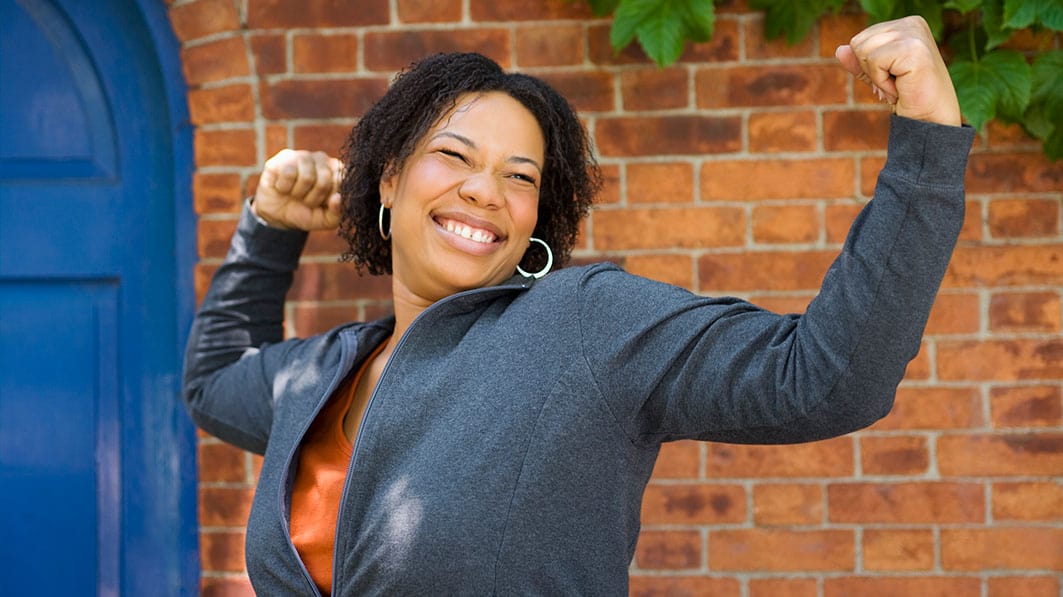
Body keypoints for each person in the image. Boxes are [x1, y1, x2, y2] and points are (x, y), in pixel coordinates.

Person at [183, 15, 973, 596]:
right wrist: (270, 229)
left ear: (537, 218)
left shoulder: (580, 323)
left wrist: (926, 145)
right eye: (453, 156)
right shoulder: (320, 375)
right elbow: (212, 382)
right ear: (389, 181)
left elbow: (826, 378)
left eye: (519, 177)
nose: (484, 190)